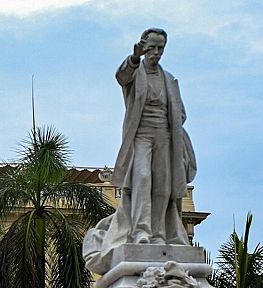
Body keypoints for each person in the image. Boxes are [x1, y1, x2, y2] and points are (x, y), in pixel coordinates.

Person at [83, 28, 197, 274]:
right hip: (141, 136)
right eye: (152, 47)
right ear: (143, 46)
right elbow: (121, 76)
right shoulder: (136, 73)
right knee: (143, 178)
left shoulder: (170, 80)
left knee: (163, 186)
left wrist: (173, 121)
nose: (156, 52)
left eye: (161, 48)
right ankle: (141, 231)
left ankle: (158, 234)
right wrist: (134, 58)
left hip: (165, 137)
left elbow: (181, 113)